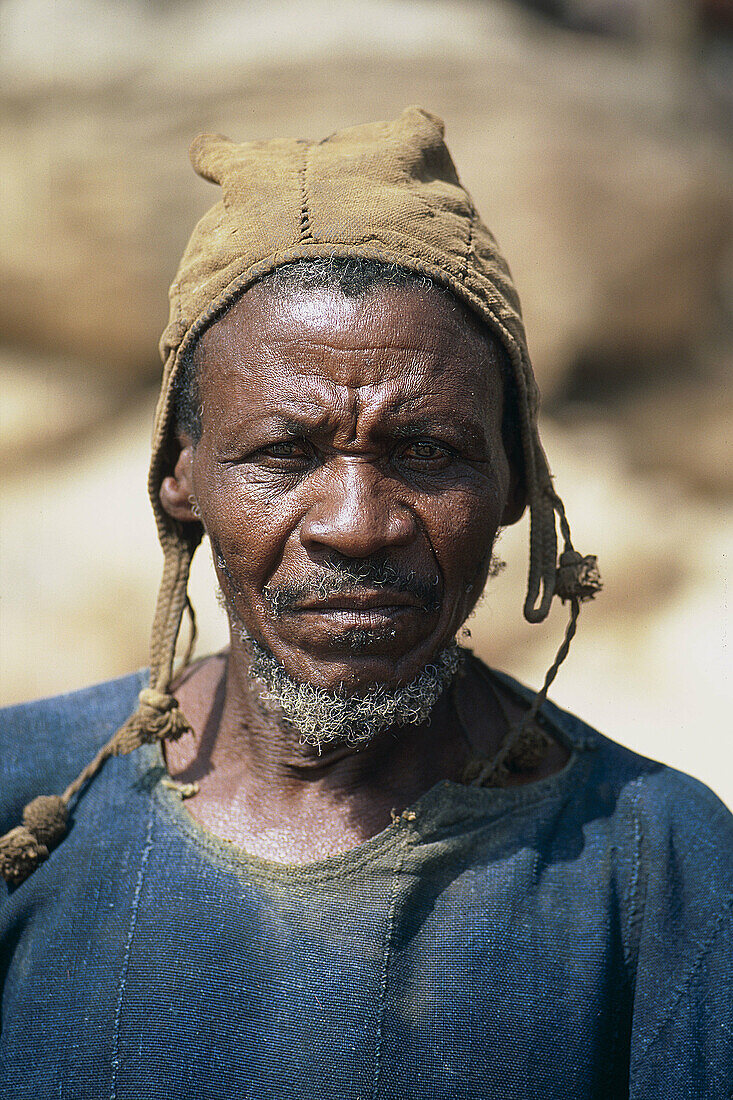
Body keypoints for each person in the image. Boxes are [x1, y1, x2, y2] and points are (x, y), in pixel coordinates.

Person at [0, 107, 731, 1098]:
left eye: (426, 451)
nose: (357, 523)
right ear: (181, 476)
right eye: (283, 453)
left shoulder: (657, 866)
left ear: (515, 479)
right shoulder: (26, 806)